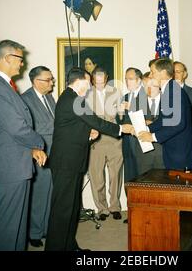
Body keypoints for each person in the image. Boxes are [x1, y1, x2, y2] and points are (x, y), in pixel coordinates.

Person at [44, 67, 133, 251]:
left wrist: (87, 132)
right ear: (80, 81)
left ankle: (69, 246)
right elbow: (95, 120)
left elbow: (75, 125)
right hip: (66, 162)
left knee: (71, 207)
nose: (90, 85)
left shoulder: (70, 97)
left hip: (72, 161)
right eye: (88, 81)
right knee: (62, 209)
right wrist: (120, 129)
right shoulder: (74, 99)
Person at [0, 40, 47, 251]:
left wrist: (31, 149)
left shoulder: (3, 86)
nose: (22, 63)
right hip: (9, 167)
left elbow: (10, 132)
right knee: (7, 224)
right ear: (8, 58)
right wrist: (39, 142)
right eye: (20, 59)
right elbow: (16, 127)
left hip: (16, 163)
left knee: (18, 223)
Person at [138, 59, 192, 170]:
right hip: (174, 152)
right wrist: (145, 129)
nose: (150, 76)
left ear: (163, 73)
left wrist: (152, 137)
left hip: (181, 155)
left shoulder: (173, 91)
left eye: (152, 72)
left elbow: (178, 124)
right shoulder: (168, 90)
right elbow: (163, 121)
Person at [21, 66, 56, 247]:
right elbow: (26, 129)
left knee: (51, 192)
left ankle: (46, 229)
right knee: (39, 193)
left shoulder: (49, 97)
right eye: (48, 79)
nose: (52, 82)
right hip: (39, 151)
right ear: (36, 81)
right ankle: (34, 233)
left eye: (52, 79)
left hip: (54, 151)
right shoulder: (25, 99)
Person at [86, 67, 123, 221]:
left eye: (103, 81)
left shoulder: (116, 92)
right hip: (96, 141)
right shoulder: (86, 94)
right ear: (93, 80)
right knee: (97, 178)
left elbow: (122, 116)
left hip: (115, 141)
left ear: (106, 78)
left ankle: (114, 207)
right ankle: (102, 208)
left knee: (115, 176)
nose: (100, 85)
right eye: (97, 82)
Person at [136, 72, 164, 174]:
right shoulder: (137, 101)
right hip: (143, 153)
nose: (148, 89)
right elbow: (129, 123)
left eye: (151, 85)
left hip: (163, 151)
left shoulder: (168, 100)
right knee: (144, 185)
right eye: (145, 86)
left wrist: (152, 123)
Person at [173, 61, 192, 143]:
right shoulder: (165, 92)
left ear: (185, 74)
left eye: (178, 72)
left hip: (187, 140)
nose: (175, 74)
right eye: (173, 72)